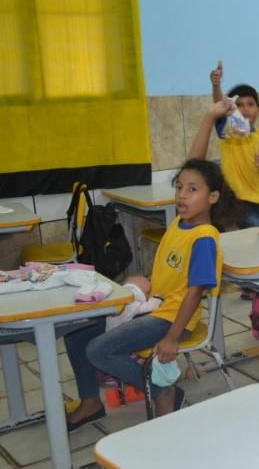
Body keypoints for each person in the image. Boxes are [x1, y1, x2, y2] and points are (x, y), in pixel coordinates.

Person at [63, 156, 231, 430]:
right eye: (179, 187)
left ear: (213, 197)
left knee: (99, 350)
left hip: (173, 318)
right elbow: (172, 275)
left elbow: (194, 292)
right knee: (77, 336)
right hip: (155, 305)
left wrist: (172, 337)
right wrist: (144, 284)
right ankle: (91, 401)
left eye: (192, 189)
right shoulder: (179, 223)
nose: (182, 195)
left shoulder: (203, 238)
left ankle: (163, 390)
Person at [206, 60, 259, 227]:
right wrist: (216, 85)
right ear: (230, 110)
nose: (245, 109)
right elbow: (219, 105)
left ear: (258, 109)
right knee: (256, 234)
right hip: (237, 203)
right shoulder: (229, 131)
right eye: (239, 105)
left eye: (251, 104)